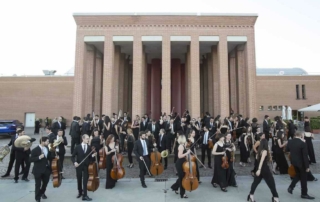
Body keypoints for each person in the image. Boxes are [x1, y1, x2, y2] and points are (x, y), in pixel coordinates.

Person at [286, 131, 315, 199]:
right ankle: (304, 194)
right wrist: (307, 167)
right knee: (303, 179)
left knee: (298, 175)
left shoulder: (290, 142)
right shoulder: (302, 143)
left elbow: (287, 150)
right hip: (301, 164)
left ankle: (291, 187)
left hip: (294, 162)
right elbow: (305, 156)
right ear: (301, 136)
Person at [71, 134, 97, 201]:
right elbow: (72, 156)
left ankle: (85, 195)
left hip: (86, 166)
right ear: (83, 139)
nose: (88, 140)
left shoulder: (89, 147)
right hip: (79, 166)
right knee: (79, 179)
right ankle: (80, 192)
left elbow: (90, 158)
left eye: (88, 139)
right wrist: (75, 162)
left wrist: (93, 155)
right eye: (87, 138)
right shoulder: (77, 147)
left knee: (85, 181)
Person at [30, 136, 54, 202]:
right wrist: (39, 157)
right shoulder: (35, 150)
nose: (48, 142)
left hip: (46, 169)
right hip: (38, 170)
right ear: (43, 142)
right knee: (38, 184)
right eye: (47, 141)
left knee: (45, 183)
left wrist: (54, 157)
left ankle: (41, 193)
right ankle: (37, 198)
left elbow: (48, 157)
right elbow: (31, 159)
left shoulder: (46, 148)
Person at [171, 134, 190, 198]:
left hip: (183, 163)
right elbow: (179, 156)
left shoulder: (183, 146)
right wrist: (187, 153)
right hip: (180, 164)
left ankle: (175, 187)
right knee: (182, 179)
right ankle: (182, 194)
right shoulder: (181, 146)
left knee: (181, 177)